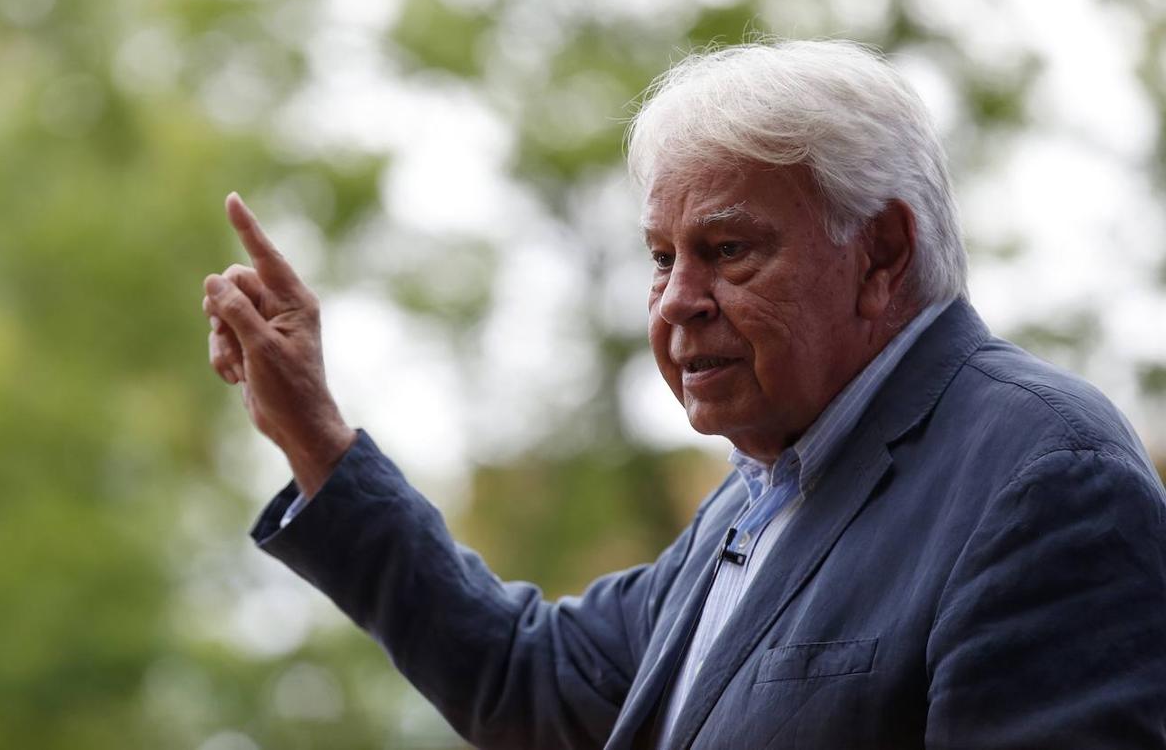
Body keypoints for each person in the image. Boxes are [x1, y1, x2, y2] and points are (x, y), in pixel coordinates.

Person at [201, 40, 1166, 749]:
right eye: (661, 258)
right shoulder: (759, 498)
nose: (676, 301)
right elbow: (528, 678)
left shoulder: (1044, 478)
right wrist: (316, 439)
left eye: (727, 249)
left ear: (880, 255)